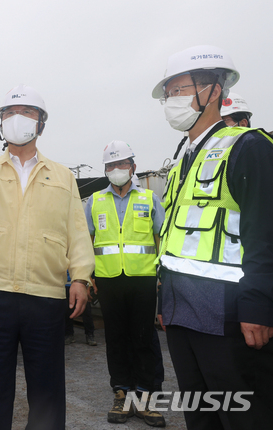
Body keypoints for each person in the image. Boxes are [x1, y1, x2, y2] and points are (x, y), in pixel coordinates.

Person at [0, 85, 94, 430]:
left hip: (46, 296)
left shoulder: (63, 176)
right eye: (9, 113)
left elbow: (77, 231)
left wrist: (81, 276)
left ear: (40, 123)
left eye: (27, 112)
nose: (17, 119)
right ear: (0, 123)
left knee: (47, 390)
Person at [153, 45, 273, 429]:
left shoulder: (249, 147)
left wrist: (258, 306)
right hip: (181, 311)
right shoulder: (180, 159)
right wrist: (163, 298)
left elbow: (265, 232)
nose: (173, 100)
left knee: (242, 414)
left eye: (180, 90)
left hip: (228, 313)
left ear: (214, 90)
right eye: (169, 93)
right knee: (199, 413)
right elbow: (174, 241)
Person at [84, 140, 166, 427]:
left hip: (143, 279)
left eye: (121, 164)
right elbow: (86, 241)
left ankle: (145, 397)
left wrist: (161, 277)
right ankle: (121, 392)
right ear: (105, 170)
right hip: (108, 281)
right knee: (116, 338)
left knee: (144, 337)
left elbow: (162, 238)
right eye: (111, 165)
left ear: (132, 167)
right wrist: (88, 277)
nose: (116, 169)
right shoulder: (94, 201)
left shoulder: (149, 199)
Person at [64, 271, 97, 346]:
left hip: (81, 285)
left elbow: (88, 272)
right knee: (67, 311)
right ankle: (69, 335)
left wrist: (88, 287)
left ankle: (90, 335)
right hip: (66, 285)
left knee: (86, 311)